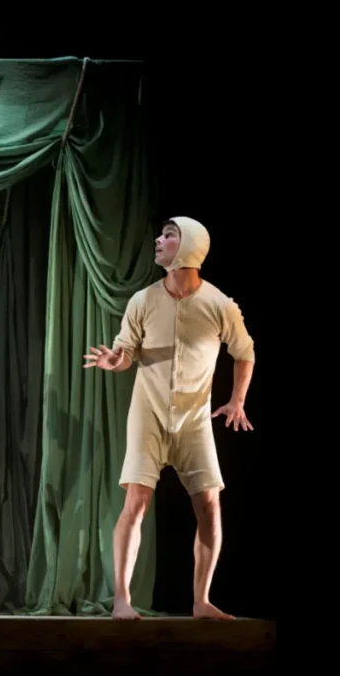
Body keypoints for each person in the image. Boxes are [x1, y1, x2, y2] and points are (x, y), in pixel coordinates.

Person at [83, 216, 255, 621]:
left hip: (195, 419)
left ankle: (201, 602)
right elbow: (126, 351)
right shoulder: (142, 300)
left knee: (210, 505)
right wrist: (115, 360)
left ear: (190, 245)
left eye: (169, 235)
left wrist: (237, 400)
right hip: (149, 413)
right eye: (160, 235)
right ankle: (122, 599)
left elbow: (244, 352)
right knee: (137, 500)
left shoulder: (219, 304)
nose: (158, 241)